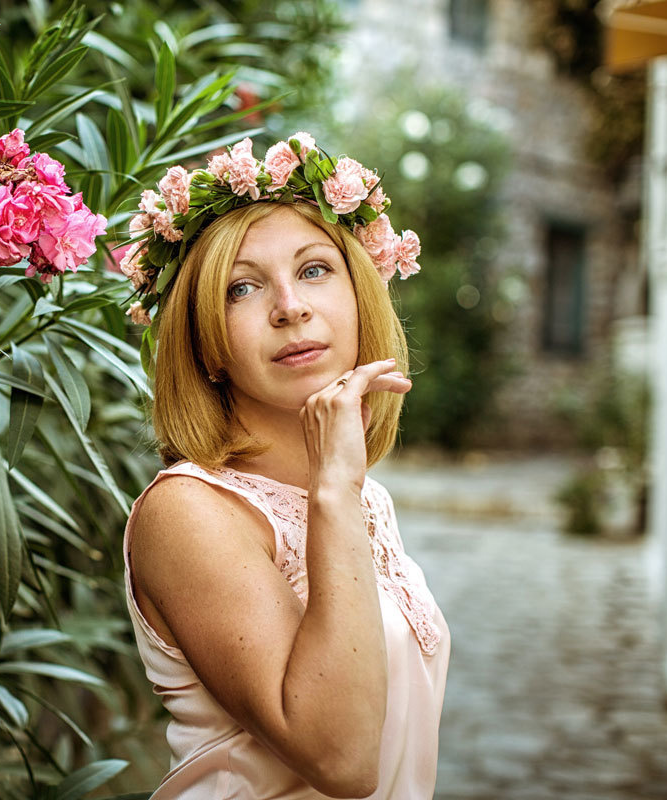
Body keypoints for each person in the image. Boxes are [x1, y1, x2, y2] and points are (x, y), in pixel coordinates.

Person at [117, 134, 450, 799]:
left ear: (359, 300)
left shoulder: (360, 497)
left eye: (315, 270)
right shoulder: (189, 514)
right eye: (243, 287)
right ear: (208, 343)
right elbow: (342, 759)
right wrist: (334, 491)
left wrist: (338, 489)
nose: (290, 306)